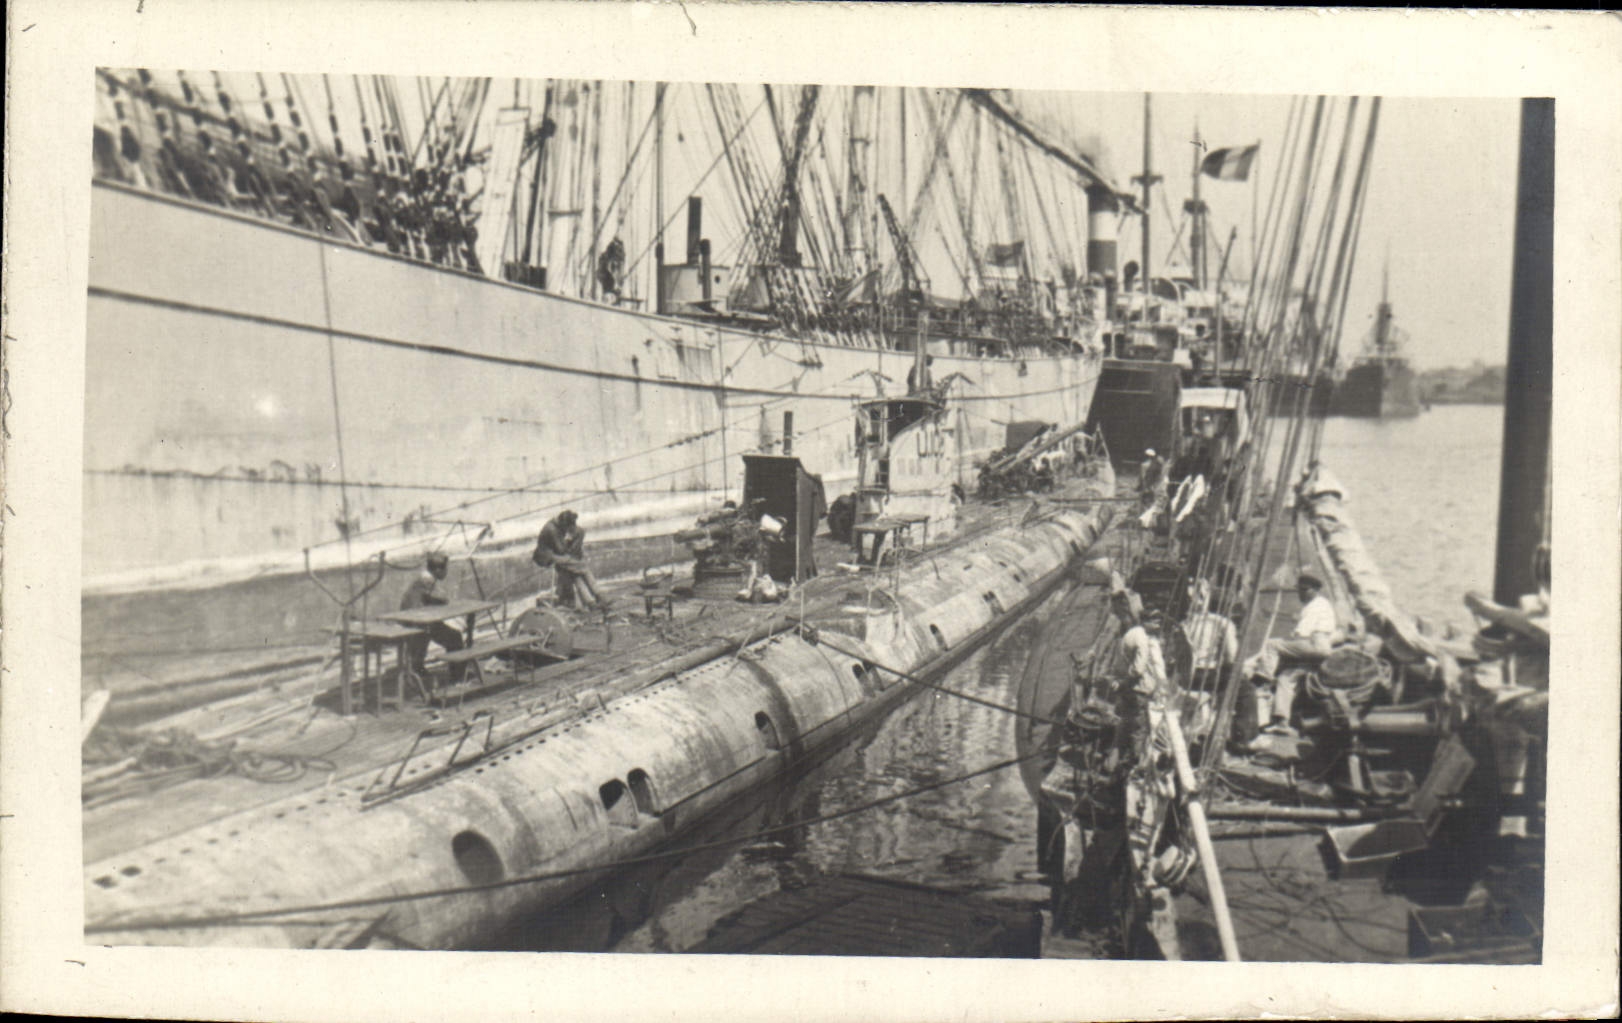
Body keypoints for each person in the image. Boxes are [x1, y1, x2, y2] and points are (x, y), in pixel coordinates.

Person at [1242, 572, 1341, 735]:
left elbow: (1301, 634)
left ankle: (1263, 677)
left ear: (1315, 590)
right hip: (1318, 649)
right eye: (1299, 590)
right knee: (1285, 679)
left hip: (1315, 644)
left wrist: (1287, 642)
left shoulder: (1315, 605)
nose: (1301, 594)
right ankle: (1282, 721)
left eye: (1305, 590)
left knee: (1272, 644)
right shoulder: (1321, 604)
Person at [533, 509, 609, 610]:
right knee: (582, 567)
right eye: (568, 527)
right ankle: (599, 595)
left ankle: (590, 602)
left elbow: (562, 548)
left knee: (574, 573)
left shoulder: (556, 525)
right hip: (547, 557)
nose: (568, 530)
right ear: (564, 523)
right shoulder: (552, 530)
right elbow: (561, 550)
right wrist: (570, 540)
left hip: (554, 554)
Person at [400, 551, 464, 667]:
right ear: (438, 570)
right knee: (455, 638)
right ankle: (457, 676)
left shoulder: (423, 578)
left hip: (415, 621)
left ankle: (418, 668)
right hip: (418, 623)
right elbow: (432, 599)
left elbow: (428, 598)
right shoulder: (427, 580)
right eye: (445, 569)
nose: (446, 572)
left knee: (450, 635)